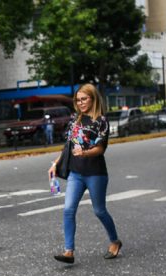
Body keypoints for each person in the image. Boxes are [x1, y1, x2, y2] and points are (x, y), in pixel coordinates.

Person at [48, 83, 121, 264]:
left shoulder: (101, 121)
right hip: (76, 173)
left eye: (84, 99)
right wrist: (55, 164)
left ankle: (115, 241)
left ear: (93, 99)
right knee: (68, 210)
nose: (80, 103)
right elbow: (68, 145)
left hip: (95, 173)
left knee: (99, 211)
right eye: (78, 100)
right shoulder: (75, 119)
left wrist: (85, 153)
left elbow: (100, 149)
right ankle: (69, 251)